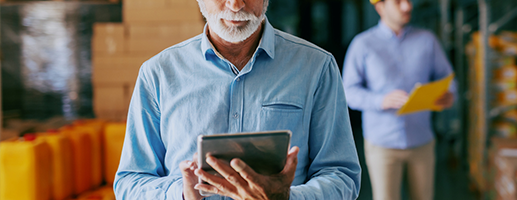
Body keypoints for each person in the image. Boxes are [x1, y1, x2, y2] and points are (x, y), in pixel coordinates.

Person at [113, 0, 362, 199]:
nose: (235, 5)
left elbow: (342, 175)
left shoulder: (316, 67)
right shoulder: (158, 74)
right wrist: (180, 194)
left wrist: (286, 198)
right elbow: (129, 182)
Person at [342, 0, 455, 199]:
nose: (407, 6)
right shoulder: (362, 44)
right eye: (398, 2)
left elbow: (447, 77)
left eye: (409, 0)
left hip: (421, 141)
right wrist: (380, 100)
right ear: (380, 7)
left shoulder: (427, 40)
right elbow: (349, 92)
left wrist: (448, 95)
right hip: (382, 145)